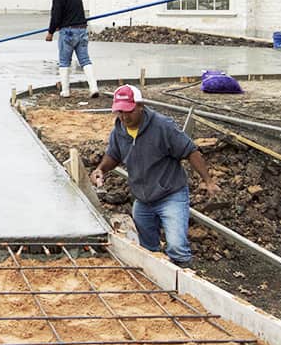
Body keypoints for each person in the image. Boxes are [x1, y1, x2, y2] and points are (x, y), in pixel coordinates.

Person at [90, 85, 217, 267]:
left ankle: (186, 285)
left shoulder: (162, 126)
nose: (124, 117)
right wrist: (101, 169)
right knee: (148, 249)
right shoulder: (119, 130)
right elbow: (114, 155)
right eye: (120, 112)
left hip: (170, 195)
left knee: (176, 246)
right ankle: (159, 283)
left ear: (140, 106)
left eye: (129, 111)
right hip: (142, 199)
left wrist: (208, 181)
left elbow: (190, 151)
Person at [44, 0, 99, 97]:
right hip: (82, 30)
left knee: (64, 62)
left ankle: (65, 91)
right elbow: (73, 13)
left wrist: (50, 32)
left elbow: (56, 16)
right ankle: (94, 87)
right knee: (85, 60)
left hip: (68, 32)